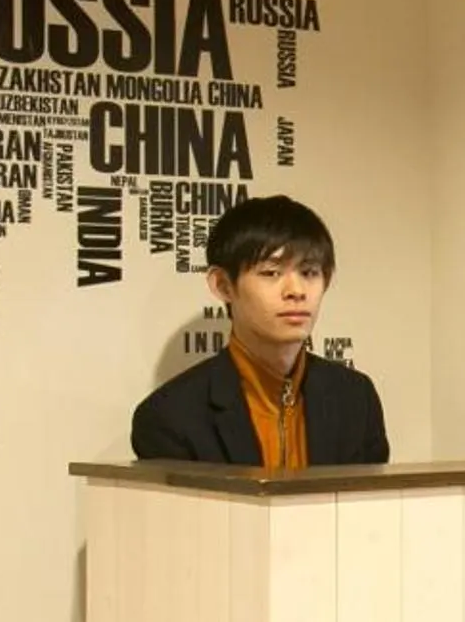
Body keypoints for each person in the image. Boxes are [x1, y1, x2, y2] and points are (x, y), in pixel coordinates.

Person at [131, 195, 389, 468]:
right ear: (223, 286)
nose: (296, 291)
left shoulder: (355, 398)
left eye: (309, 272)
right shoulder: (170, 416)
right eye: (271, 273)